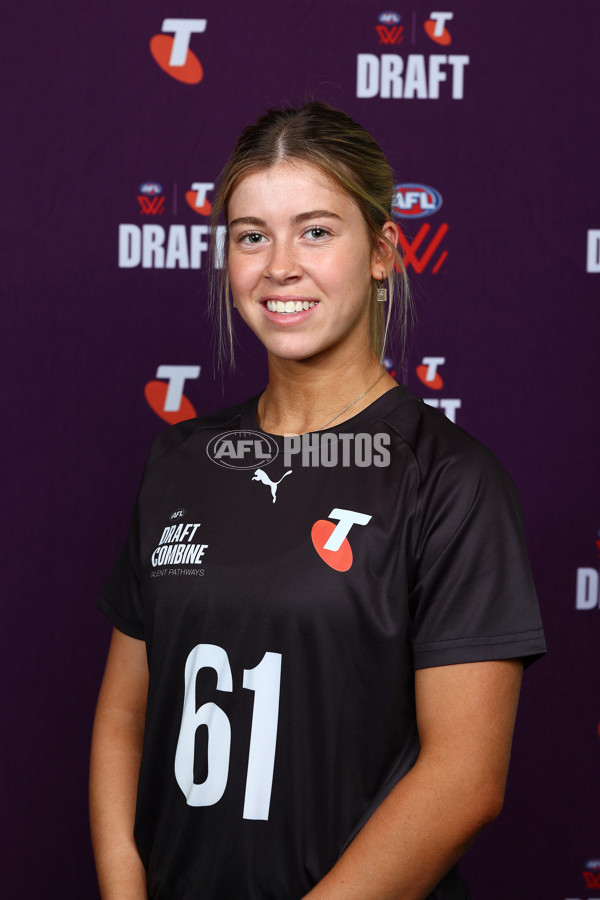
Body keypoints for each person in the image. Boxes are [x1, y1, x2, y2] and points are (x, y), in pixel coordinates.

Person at [89, 102, 546, 900]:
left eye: (317, 231)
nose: (279, 266)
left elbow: (465, 781)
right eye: (252, 235)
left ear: (382, 252)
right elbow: (125, 722)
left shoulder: (448, 481)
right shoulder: (180, 463)